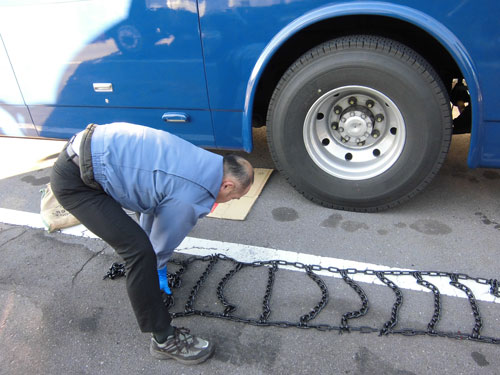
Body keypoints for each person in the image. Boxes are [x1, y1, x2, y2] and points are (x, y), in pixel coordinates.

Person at [50, 122, 254, 365]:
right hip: (78, 183)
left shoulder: (204, 161)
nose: (230, 200)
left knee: (141, 244)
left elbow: (151, 202)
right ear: (227, 185)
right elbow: (161, 240)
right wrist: (156, 268)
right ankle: (164, 339)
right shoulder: (192, 195)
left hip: (89, 148)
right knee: (139, 252)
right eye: (233, 197)